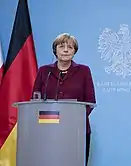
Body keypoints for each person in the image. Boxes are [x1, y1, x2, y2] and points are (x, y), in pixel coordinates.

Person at [32, 33, 96, 165]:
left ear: (74, 51)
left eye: (70, 47)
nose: (66, 50)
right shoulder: (44, 71)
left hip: (77, 129)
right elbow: (35, 100)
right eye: (62, 46)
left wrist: (71, 118)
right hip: (48, 128)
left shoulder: (83, 71)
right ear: (55, 50)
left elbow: (90, 101)